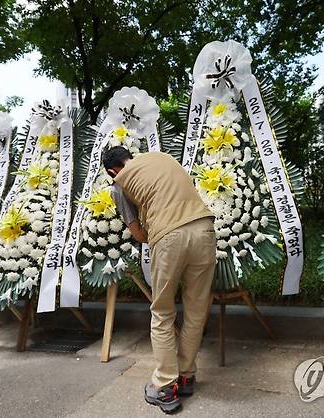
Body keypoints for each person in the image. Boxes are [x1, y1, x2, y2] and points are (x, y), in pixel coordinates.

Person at [103, 146, 216, 414]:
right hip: (205, 229)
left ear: (112, 171)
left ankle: (165, 386)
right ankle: (186, 376)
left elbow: (139, 234)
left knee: (163, 312)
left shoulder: (119, 184)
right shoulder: (164, 158)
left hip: (169, 237)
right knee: (196, 310)